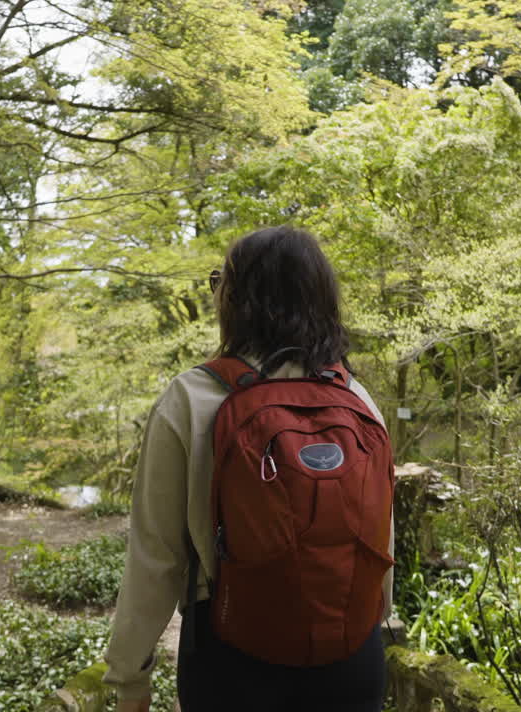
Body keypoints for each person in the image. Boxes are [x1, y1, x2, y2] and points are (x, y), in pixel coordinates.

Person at [103, 225, 393, 712]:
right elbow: (381, 543)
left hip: (233, 659)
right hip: (352, 659)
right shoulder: (356, 398)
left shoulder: (191, 399)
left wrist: (129, 675)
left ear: (237, 299)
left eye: (221, 282)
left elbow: (155, 559)